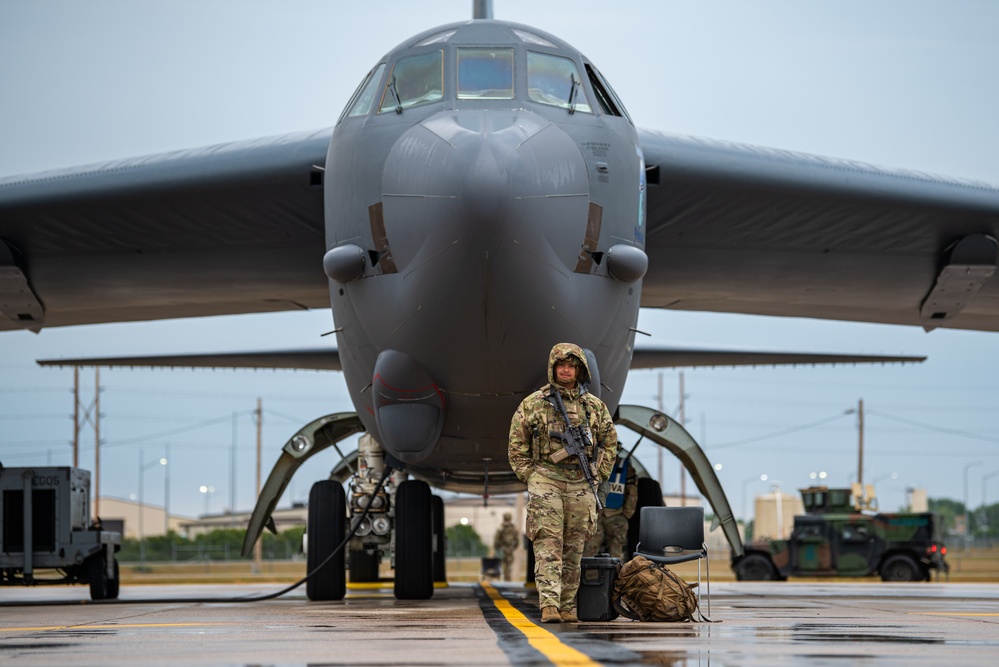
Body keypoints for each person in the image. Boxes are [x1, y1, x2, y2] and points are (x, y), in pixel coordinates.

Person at [509, 342, 619, 624]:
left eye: (571, 366)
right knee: (548, 543)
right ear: (553, 368)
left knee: (575, 547)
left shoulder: (594, 406)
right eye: (561, 365)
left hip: (582, 482)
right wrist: (531, 476)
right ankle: (549, 604)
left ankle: (568, 606)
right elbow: (517, 445)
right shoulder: (534, 404)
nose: (566, 370)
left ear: (579, 370)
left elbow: (609, 442)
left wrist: (599, 472)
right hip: (547, 478)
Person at [583, 451, 639, 561]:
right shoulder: (594, 463)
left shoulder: (626, 468)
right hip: (596, 514)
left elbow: (632, 492)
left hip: (617, 514)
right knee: (590, 548)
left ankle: (617, 575)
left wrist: (626, 514)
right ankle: (587, 574)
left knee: (617, 550)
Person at [493, 512, 519, 581]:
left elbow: (496, 539)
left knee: (498, 566)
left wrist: (497, 548)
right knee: (508, 567)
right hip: (510, 550)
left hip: (502, 550)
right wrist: (513, 548)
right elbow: (517, 540)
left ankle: (497, 580)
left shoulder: (501, 528)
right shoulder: (513, 528)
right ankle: (507, 581)